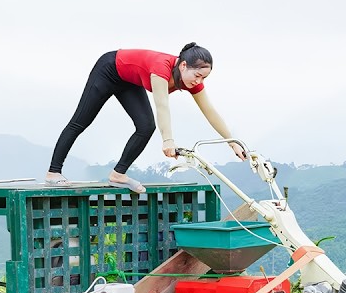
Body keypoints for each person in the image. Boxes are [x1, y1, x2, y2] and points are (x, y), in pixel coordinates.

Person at [47, 42, 247, 194]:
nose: (199, 81)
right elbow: (162, 106)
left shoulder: (191, 81)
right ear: (183, 65)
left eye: (204, 78)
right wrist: (168, 140)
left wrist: (232, 142)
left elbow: (210, 111)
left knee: (145, 126)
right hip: (108, 70)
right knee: (80, 121)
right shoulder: (161, 68)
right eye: (198, 75)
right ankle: (53, 172)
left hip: (128, 81)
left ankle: (118, 175)